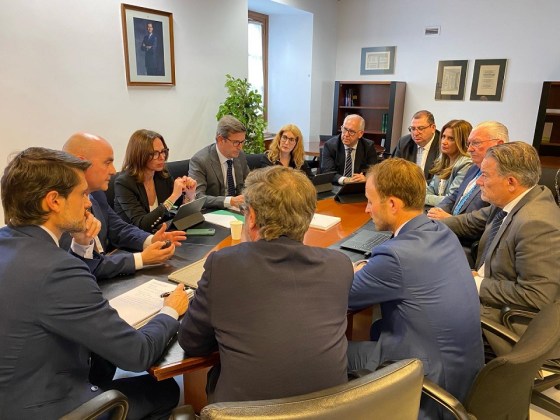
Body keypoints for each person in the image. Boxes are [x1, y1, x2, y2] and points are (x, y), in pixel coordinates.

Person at [0, 147, 189, 419]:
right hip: (47, 407)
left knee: (105, 359)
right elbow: (138, 354)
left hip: (16, 390)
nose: (88, 204)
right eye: (82, 195)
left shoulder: (10, 243)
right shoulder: (57, 269)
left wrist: (81, 244)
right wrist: (170, 310)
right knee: (166, 389)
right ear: (54, 201)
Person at [178, 166, 353, 403]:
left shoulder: (223, 265)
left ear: (251, 217)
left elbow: (192, 343)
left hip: (243, 414)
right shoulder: (339, 265)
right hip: (328, 410)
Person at [347, 158, 483, 419]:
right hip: (462, 373)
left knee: (327, 355)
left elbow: (342, 297)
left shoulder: (396, 256)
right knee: (375, 326)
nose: (366, 209)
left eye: (370, 201)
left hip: (428, 382)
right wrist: (369, 265)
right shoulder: (441, 231)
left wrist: (354, 268)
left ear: (393, 204)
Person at [441, 142, 560, 330]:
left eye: (485, 175)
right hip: (484, 285)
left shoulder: (536, 224)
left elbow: (537, 295)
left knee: (420, 308)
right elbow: (467, 222)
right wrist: (418, 224)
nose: (479, 182)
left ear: (511, 182)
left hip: (500, 316)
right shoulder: (509, 201)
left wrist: (476, 283)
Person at [62, 132, 186, 280]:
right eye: (107, 163)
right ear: (81, 163)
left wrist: (151, 240)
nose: (113, 171)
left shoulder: (97, 194)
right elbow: (86, 264)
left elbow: (119, 229)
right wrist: (141, 259)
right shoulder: (60, 208)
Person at [113, 129, 197, 233]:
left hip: (161, 233)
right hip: (135, 239)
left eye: (163, 151)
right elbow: (142, 224)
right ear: (140, 155)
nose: (162, 157)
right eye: (155, 153)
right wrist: (174, 196)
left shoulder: (162, 174)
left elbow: (172, 211)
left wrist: (189, 195)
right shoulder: (124, 183)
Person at [427, 121, 510, 220]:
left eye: (476, 143)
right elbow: (454, 196)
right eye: (469, 144)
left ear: (499, 144)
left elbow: (486, 220)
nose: (469, 149)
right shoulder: (473, 168)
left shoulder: (504, 175)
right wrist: (436, 211)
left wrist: (450, 220)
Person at [189, 115, 250, 210]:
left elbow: (249, 184)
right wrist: (230, 201)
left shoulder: (240, 155)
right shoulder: (200, 160)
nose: (240, 147)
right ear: (220, 140)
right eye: (236, 142)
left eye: (242, 142)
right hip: (214, 212)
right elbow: (198, 197)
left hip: (239, 210)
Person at [425, 119, 473, 206]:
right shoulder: (442, 159)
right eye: (443, 136)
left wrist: (422, 198)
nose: (444, 142)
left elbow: (451, 200)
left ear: (462, 142)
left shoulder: (466, 164)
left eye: (451, 139)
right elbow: (431, 189)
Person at [320, 114, 378, 185]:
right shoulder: (330, 146)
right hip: (337, 186)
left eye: (351, 132)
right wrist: (345, 180)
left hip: (358, 186)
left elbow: (374, 171)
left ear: (360, 134)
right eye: (344, 129)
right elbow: (327, 172)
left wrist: (366, 178)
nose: (346, 134)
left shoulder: (368, 146)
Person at [391, 110, 440, 180]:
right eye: (413, 129)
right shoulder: (404, 143)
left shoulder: (442, 145)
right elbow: (394, 170)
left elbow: (440, 179)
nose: (415, 133)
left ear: (433, 128)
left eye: (421, 128)